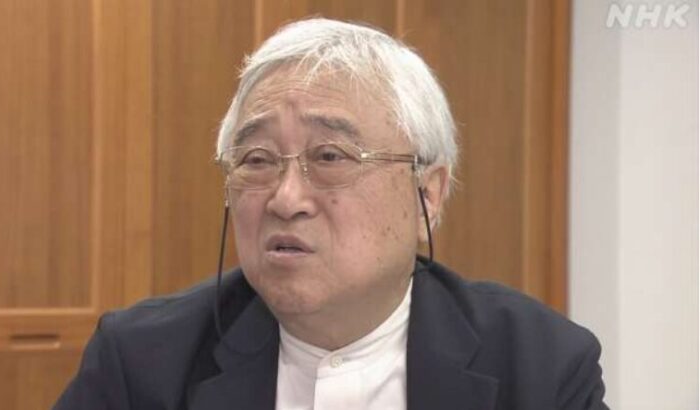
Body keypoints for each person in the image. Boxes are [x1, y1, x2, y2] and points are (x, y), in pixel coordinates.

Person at [54, 18, 607, 410]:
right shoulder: (141, 361)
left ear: (427, 195)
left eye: (330, 157)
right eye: (257, 160)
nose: (286, 198)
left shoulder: (540, 365)